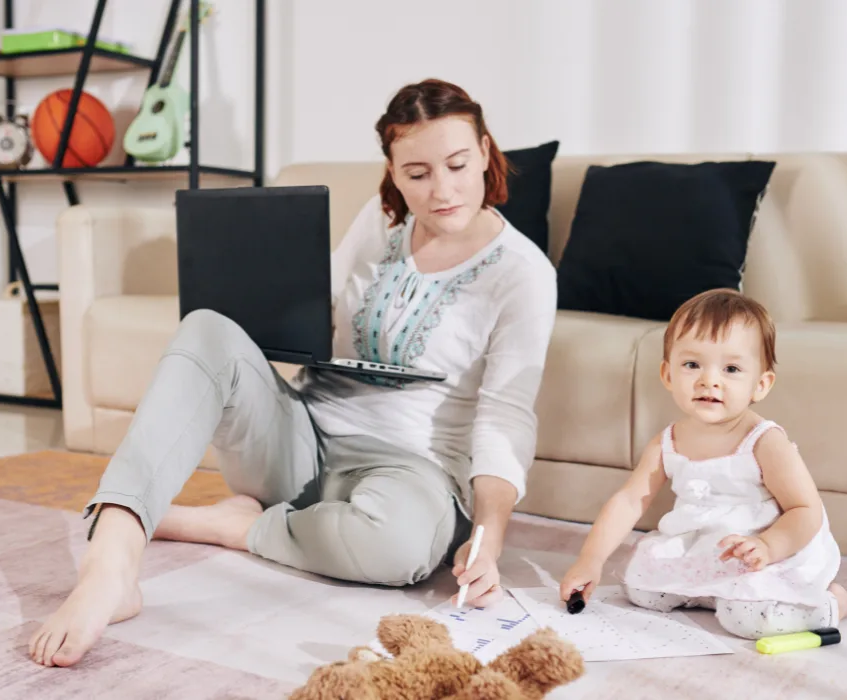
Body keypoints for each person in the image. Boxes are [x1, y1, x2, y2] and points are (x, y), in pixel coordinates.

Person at [29, 78, 558, 667]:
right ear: (392, 170)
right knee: (206, 328)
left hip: (410, 475)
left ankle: (235, 527)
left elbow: (507, 417)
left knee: (400, 548)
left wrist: (487, 540)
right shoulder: (379, 221)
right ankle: (111, 563)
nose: (441, 190)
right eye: (417, 173)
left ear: (484, 151)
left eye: (457, 165)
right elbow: (315, 304)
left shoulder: (523, 273)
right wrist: (265, 303)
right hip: (298, 443)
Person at [558, 288, 847, 640]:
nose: (709, 380)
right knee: (642, 590)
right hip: (705, 545)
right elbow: (629, 500)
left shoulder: (764, 441)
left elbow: (805, 509)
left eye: (731, 369)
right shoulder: (668, 441)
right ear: (668, 375)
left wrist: (769, 546)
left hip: (760, 550)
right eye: (692, 365)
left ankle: (833, 603)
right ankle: (712, 593)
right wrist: (591, 559)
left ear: (760, 385)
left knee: (749, 622)